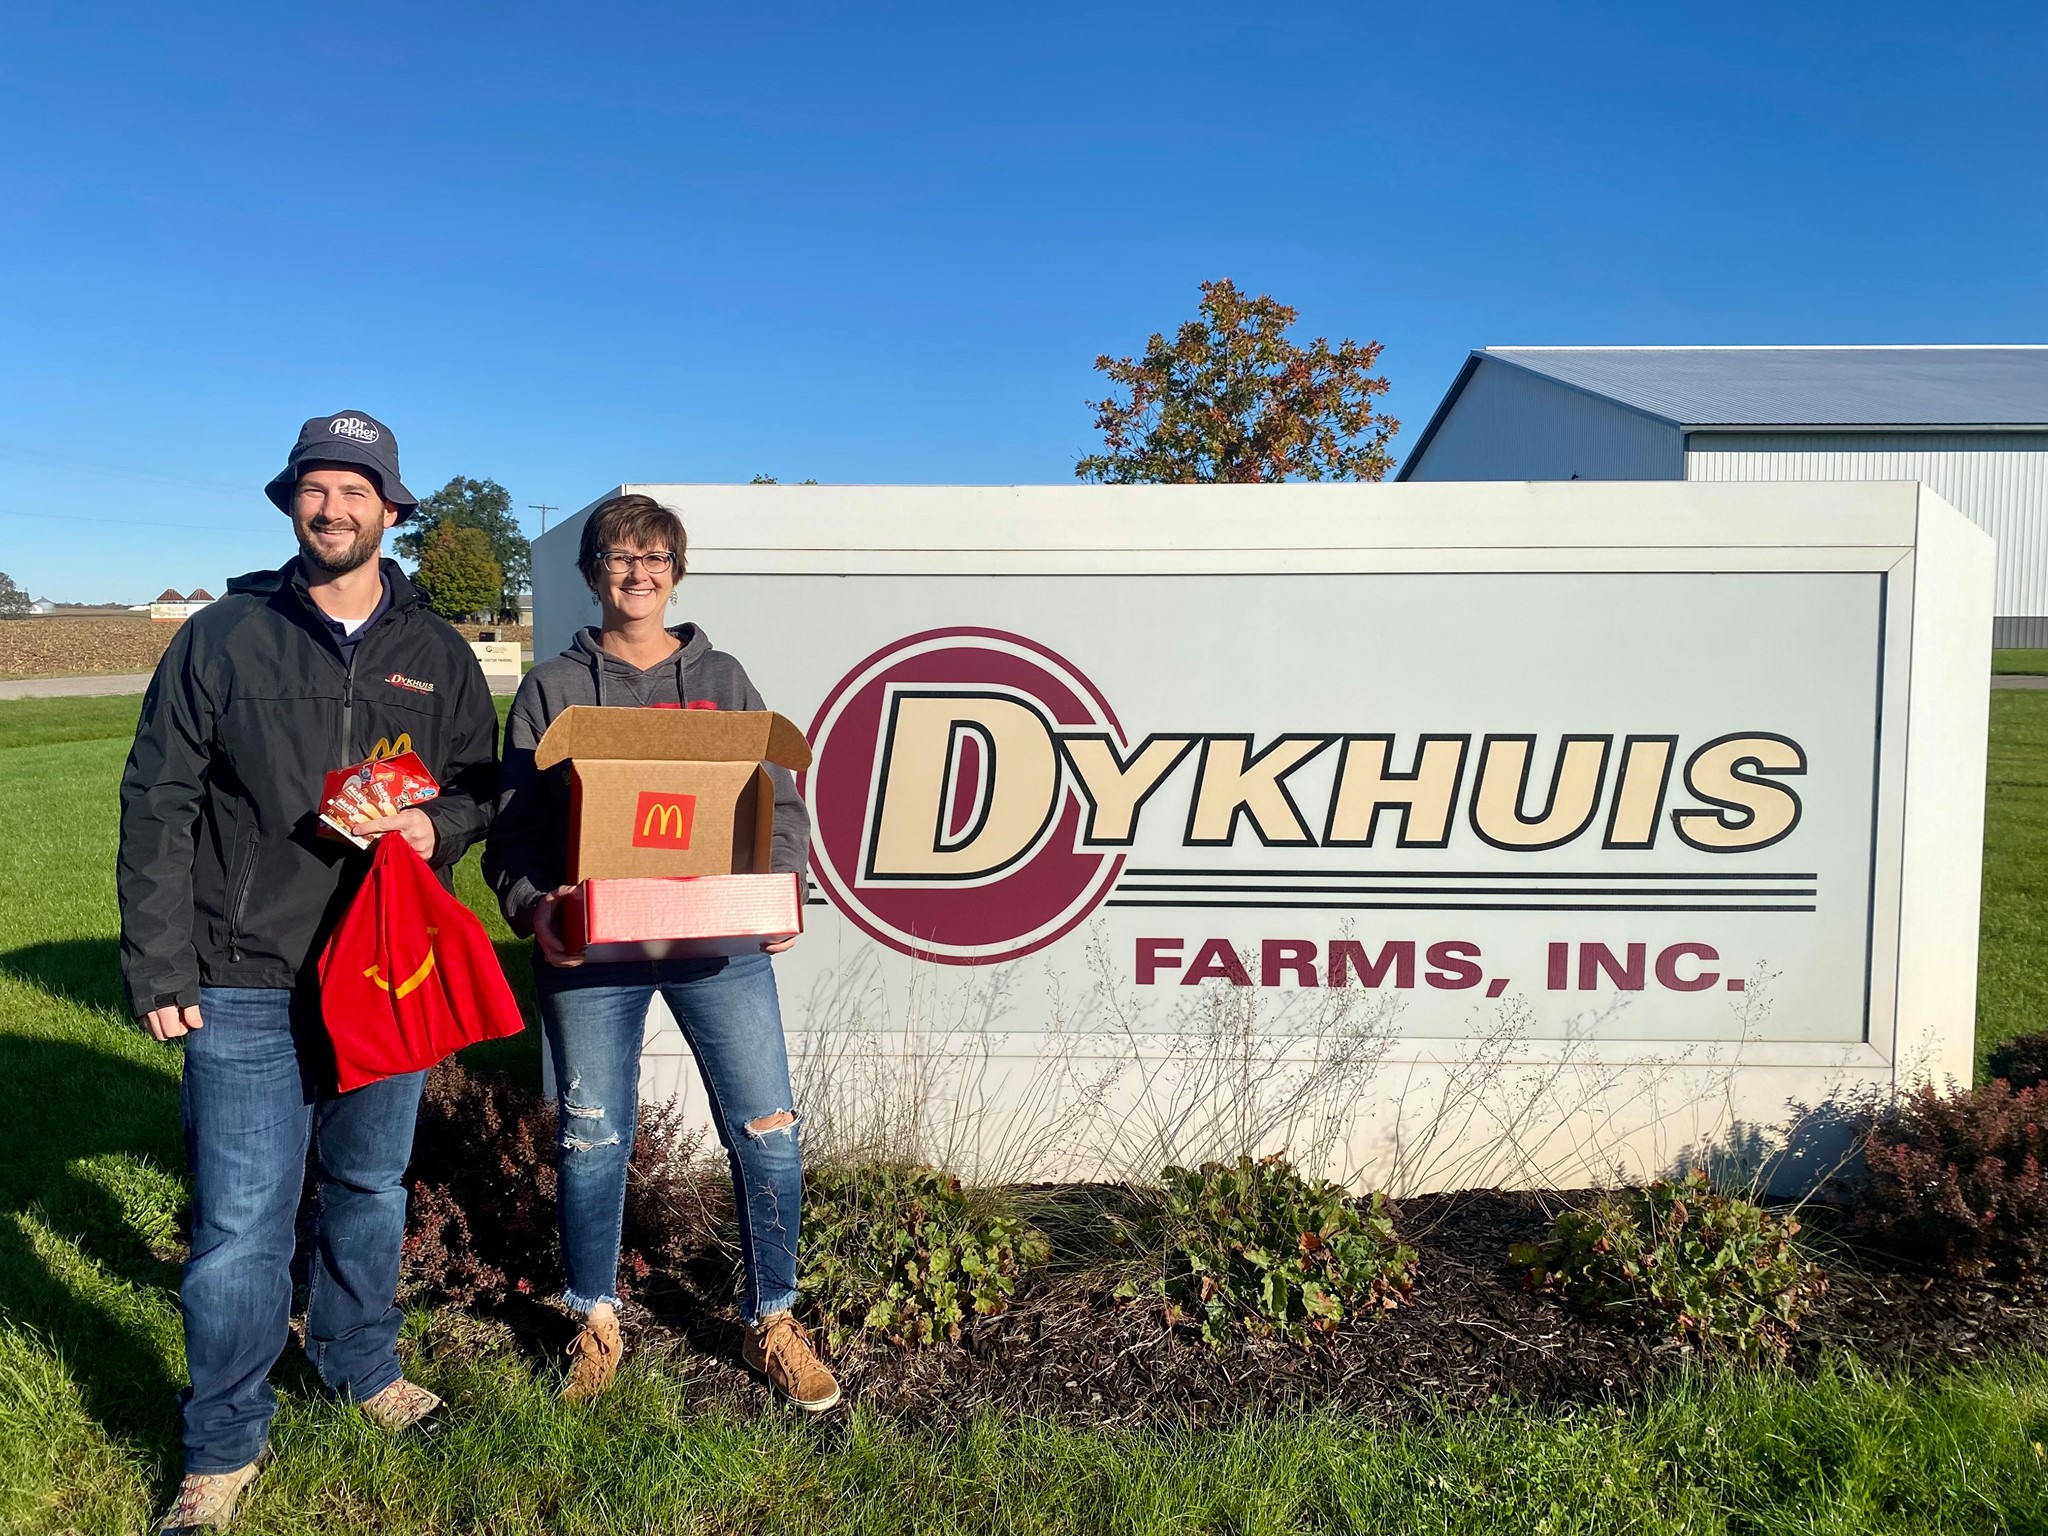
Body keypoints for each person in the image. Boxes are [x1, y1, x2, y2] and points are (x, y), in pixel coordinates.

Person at [118, 411, 499, 1533]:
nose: (331, 509)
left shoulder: (438, 653)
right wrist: (160, 963)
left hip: (384, 972)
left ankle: (358, 1362)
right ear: (291, 503)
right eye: (313, 490)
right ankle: (223, 1443)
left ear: (392, 511)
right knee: (242, 1223)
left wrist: (438, 827)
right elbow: (157, 801)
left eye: (354, 491)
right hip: (244, 976)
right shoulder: (223, 636)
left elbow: (482, 784)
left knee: (370, 1187)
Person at [484, 493, 839, 1411]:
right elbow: (512, 831)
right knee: (591, 1137)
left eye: (654, 557)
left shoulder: (721, 676)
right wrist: (534, 907)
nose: (636, 573)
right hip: (592, 951)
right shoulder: (553, 688)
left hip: (716, 939)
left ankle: (773, 1318)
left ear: (676, 572)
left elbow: (778, 804)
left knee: (767, 1129)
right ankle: (594, 1318)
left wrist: (782, 886)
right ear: (591, 572)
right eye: (618, 556)